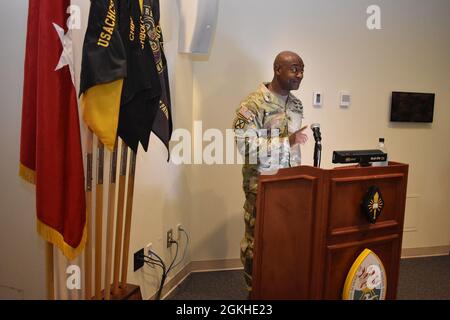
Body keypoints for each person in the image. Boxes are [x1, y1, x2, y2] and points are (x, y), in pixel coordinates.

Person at [232, 51, 308, 295]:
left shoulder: (296, 104)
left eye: (302, 69)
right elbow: (246, 147)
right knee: (258, 246)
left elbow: (295, 149)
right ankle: (254, 296)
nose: (300, 75)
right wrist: (287, 141)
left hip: (292, 187)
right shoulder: (253, 104)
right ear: (277, 69)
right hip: (262, 187)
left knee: (285, 246)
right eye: (294, 69)